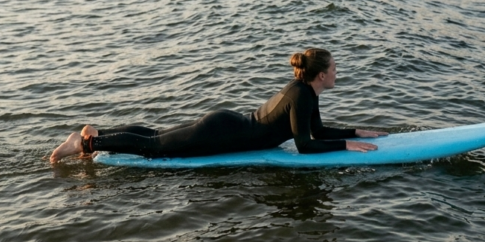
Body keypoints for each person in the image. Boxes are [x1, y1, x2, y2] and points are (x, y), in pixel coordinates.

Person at [49, 49, 387, 163]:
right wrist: (346, 145)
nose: (337, 73)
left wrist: (355, 131)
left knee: (155, 135)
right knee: (154, 148)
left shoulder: (304, 92)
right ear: (321, 74)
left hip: (224, 124)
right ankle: (86, 143)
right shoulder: (301, 95)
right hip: (220, 134)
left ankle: (98, 133)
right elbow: (305, 145)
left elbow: (315, 130)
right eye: (334, 69)